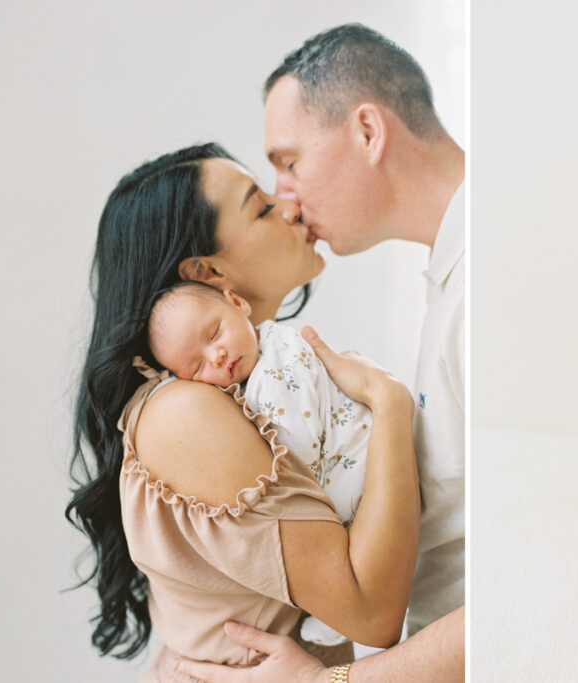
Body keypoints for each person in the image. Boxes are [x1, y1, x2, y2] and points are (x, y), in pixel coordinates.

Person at [66, 142, 422, 682]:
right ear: (208, 273)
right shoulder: (183, 414)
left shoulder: (264, 386)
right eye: (260, 207)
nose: (291, 206)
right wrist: (390, 405)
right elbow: (372, 611)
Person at [178, 23, 466, 681]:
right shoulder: (450, 283)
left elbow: (509, 569)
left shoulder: (478, 287)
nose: (286, 198)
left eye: (288, 162)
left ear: (368, 131)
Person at [147, 280, 375, 647]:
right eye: (198, 366)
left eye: (215, 333)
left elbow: (296, 456)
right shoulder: (275, 341)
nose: (217, 355)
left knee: (346, 514)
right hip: (366, 443)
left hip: (359, 458)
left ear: (237, 301)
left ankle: (336, 615)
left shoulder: (270, 380)